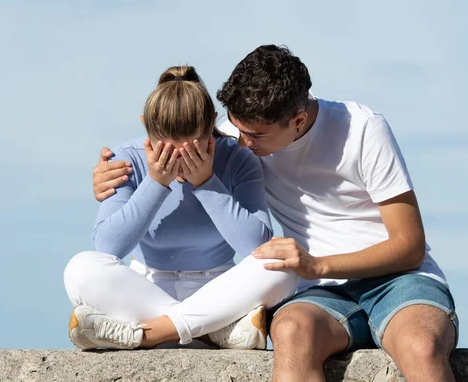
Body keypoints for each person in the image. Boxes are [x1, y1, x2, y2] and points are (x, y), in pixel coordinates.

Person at [92, 46, 459, 382]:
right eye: (234, 127)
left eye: (253, 135)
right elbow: (173, 144)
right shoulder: (234, 139)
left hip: (394, 278)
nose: (240, 142)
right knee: (290, 333)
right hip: (319, 293)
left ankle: (160, 331)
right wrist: (110, 177)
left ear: (297, 122)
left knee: (419, 347)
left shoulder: (363, 129)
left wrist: (318, 265)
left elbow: (410, 245)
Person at [64, 65, 298, 351]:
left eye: (192, 145)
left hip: (218, 288)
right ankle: (213, 331)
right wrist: (155, 182)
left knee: (281, 266)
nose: (178, 157)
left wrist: (206, 182)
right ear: (145, 126)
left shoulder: (237, 158)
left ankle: (154, 331)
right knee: (81, 268)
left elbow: (256, 244)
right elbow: (108, 245)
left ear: (212, 124)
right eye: (166, 146)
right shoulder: (127, 157)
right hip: (143, 290)